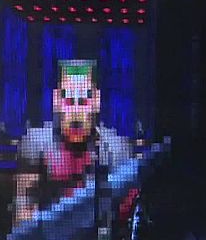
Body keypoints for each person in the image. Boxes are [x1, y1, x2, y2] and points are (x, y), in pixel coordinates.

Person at [12, 59, 133, 231]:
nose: (76, 112)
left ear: (96, 101)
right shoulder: (35, 143)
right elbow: (23, 216)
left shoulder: (116, 148)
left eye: (83, 101)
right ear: (56, 100)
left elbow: (127, 216)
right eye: (69, 101)